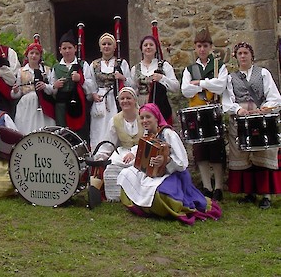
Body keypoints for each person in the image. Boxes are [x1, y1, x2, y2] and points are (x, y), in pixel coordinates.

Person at [117, 103, 222, 225]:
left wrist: (166, 160)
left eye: (148, 117)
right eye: (142, 118)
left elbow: (182, 162)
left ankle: (164, 209)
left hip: (174, 174)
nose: (144, 120)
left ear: (156, 117)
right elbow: (142, 147)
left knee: (160, 192)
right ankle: (141, 207)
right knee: (126, 174)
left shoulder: (168, 134)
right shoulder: (148, 133)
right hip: (155, 173)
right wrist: (133, 153)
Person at [222, 41, 281, 209]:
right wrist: (238, 110)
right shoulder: (230, 78)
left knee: (262, 157)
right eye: (239, 54)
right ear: (236, 57)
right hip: (240, 121)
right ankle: (249, 193)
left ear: (251, 55)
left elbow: (274, 96)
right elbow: (227, 101)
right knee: (244, 158)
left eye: (245, 53)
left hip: (261, 120)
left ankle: (266, 195)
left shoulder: (263, 73)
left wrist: (264, 109)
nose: (242, 56)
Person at [181, 27, 227, 201]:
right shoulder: (189, 69)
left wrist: (200, 82)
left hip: (213, 111)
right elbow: (185, 90)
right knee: (200, 150)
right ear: (195, 47)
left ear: (211, 47)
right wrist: (209, 84)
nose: (202, 49)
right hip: (195, 112)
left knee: (216, 149)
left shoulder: (219, 66)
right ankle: (207, 186)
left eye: (205, 45)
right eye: (199, 45)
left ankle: (219, 187)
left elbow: (221, 86)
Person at [93, 87, 144, 202]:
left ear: (135, 100)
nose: (125, 101)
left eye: (128, 98)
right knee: (112, 168)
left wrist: (134, 152)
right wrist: (100, 156)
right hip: (124, 151)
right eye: (122, 99)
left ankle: (137, 197)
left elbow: (149, 138)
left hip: (142, 151)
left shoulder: (143, 116)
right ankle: (115, 197)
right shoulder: (115, 120)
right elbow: (109, 142)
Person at [89, 32, 132, 151]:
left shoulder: (121, 63)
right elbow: (90, 81)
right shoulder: (94, 64)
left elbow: (131, 84)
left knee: (115, 125)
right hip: (100, 99)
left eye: (109, 44)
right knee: (99, 128)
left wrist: (122, 78)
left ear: (114, 47)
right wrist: (93, 94)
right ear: (100, 47)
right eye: (104, 44)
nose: (106, 46)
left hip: (116, 98)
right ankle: (98, 155)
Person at [49, 29, 93, 139]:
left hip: (78, 105)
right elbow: (50, 88)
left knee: (80, 134)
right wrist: (55, 86)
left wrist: (80, 79)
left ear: (75, 48)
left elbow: (91, 86)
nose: (67, 51)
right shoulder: (55, 68)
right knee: (63, 133)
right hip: (61, 106)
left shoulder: (83, 65)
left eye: (70, 48)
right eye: (64, 48)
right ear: (60, 50)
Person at [131, 35, 179, 124]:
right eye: (145, 45)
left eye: (151, 45)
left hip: (160, 104)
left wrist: (162, 78)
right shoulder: (135, 68)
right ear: (141, 49)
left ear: (156, 48)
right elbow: (133, 90)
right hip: (141, 105)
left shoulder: (164, 66)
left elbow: (175, 87)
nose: (148, 47)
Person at [11, 39, 55, 134]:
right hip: (26, 104)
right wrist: (15, 90)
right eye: (31, 53)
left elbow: (52, 89)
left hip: (43, 103)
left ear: (40, 56)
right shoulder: (21, 71)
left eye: (37, 53)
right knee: (26, 128)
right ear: (27, 54)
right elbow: (17, 94)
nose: (34, 56)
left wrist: (45, 86)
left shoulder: (46, 70)